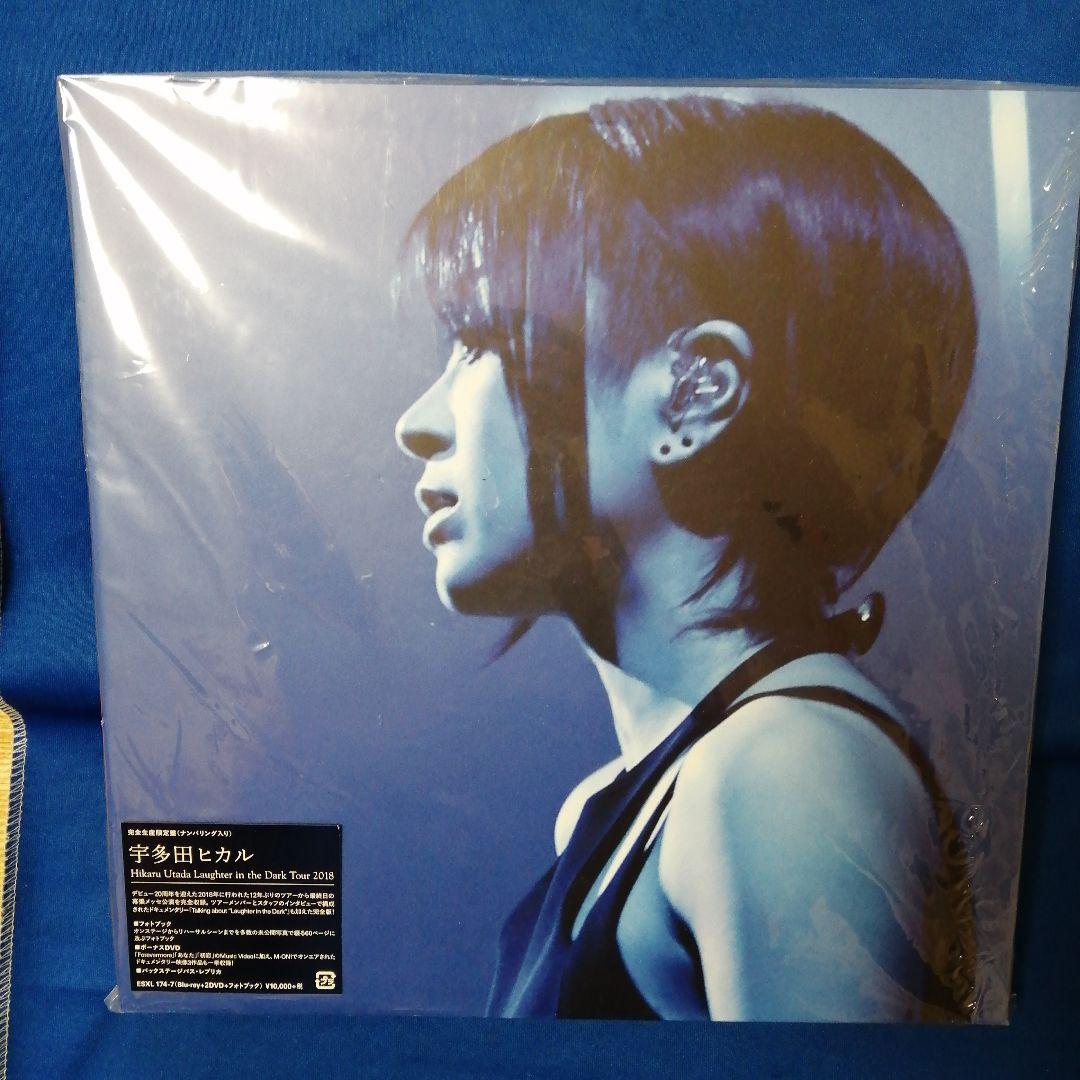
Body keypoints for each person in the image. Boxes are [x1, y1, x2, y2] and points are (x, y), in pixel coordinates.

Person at [393, 95, 978, 1021]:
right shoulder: (628, 802)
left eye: (486, 343)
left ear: (695, 393)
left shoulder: (784, 771)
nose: (416, 423)